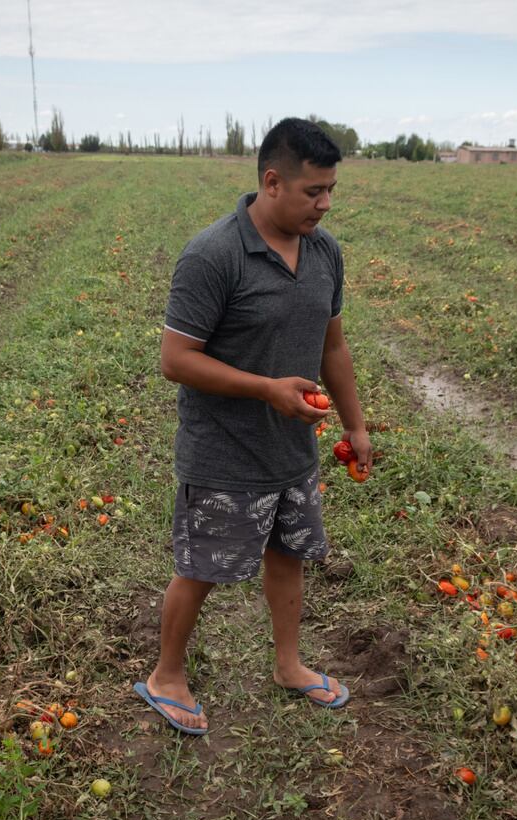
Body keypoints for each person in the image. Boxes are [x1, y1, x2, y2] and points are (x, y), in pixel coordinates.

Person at [133, 118, 371, 735]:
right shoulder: (213, 255)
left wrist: (357, 424)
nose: (325, 203)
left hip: (293, 448)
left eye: (331, 191)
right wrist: (266, 389)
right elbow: (175, 360)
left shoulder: (325, 253)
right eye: (313, 191)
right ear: (271, 182)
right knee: (203, 566)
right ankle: (166, 675)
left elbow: (333, 347)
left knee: (289, 555)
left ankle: (289, 665)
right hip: (226, 450)